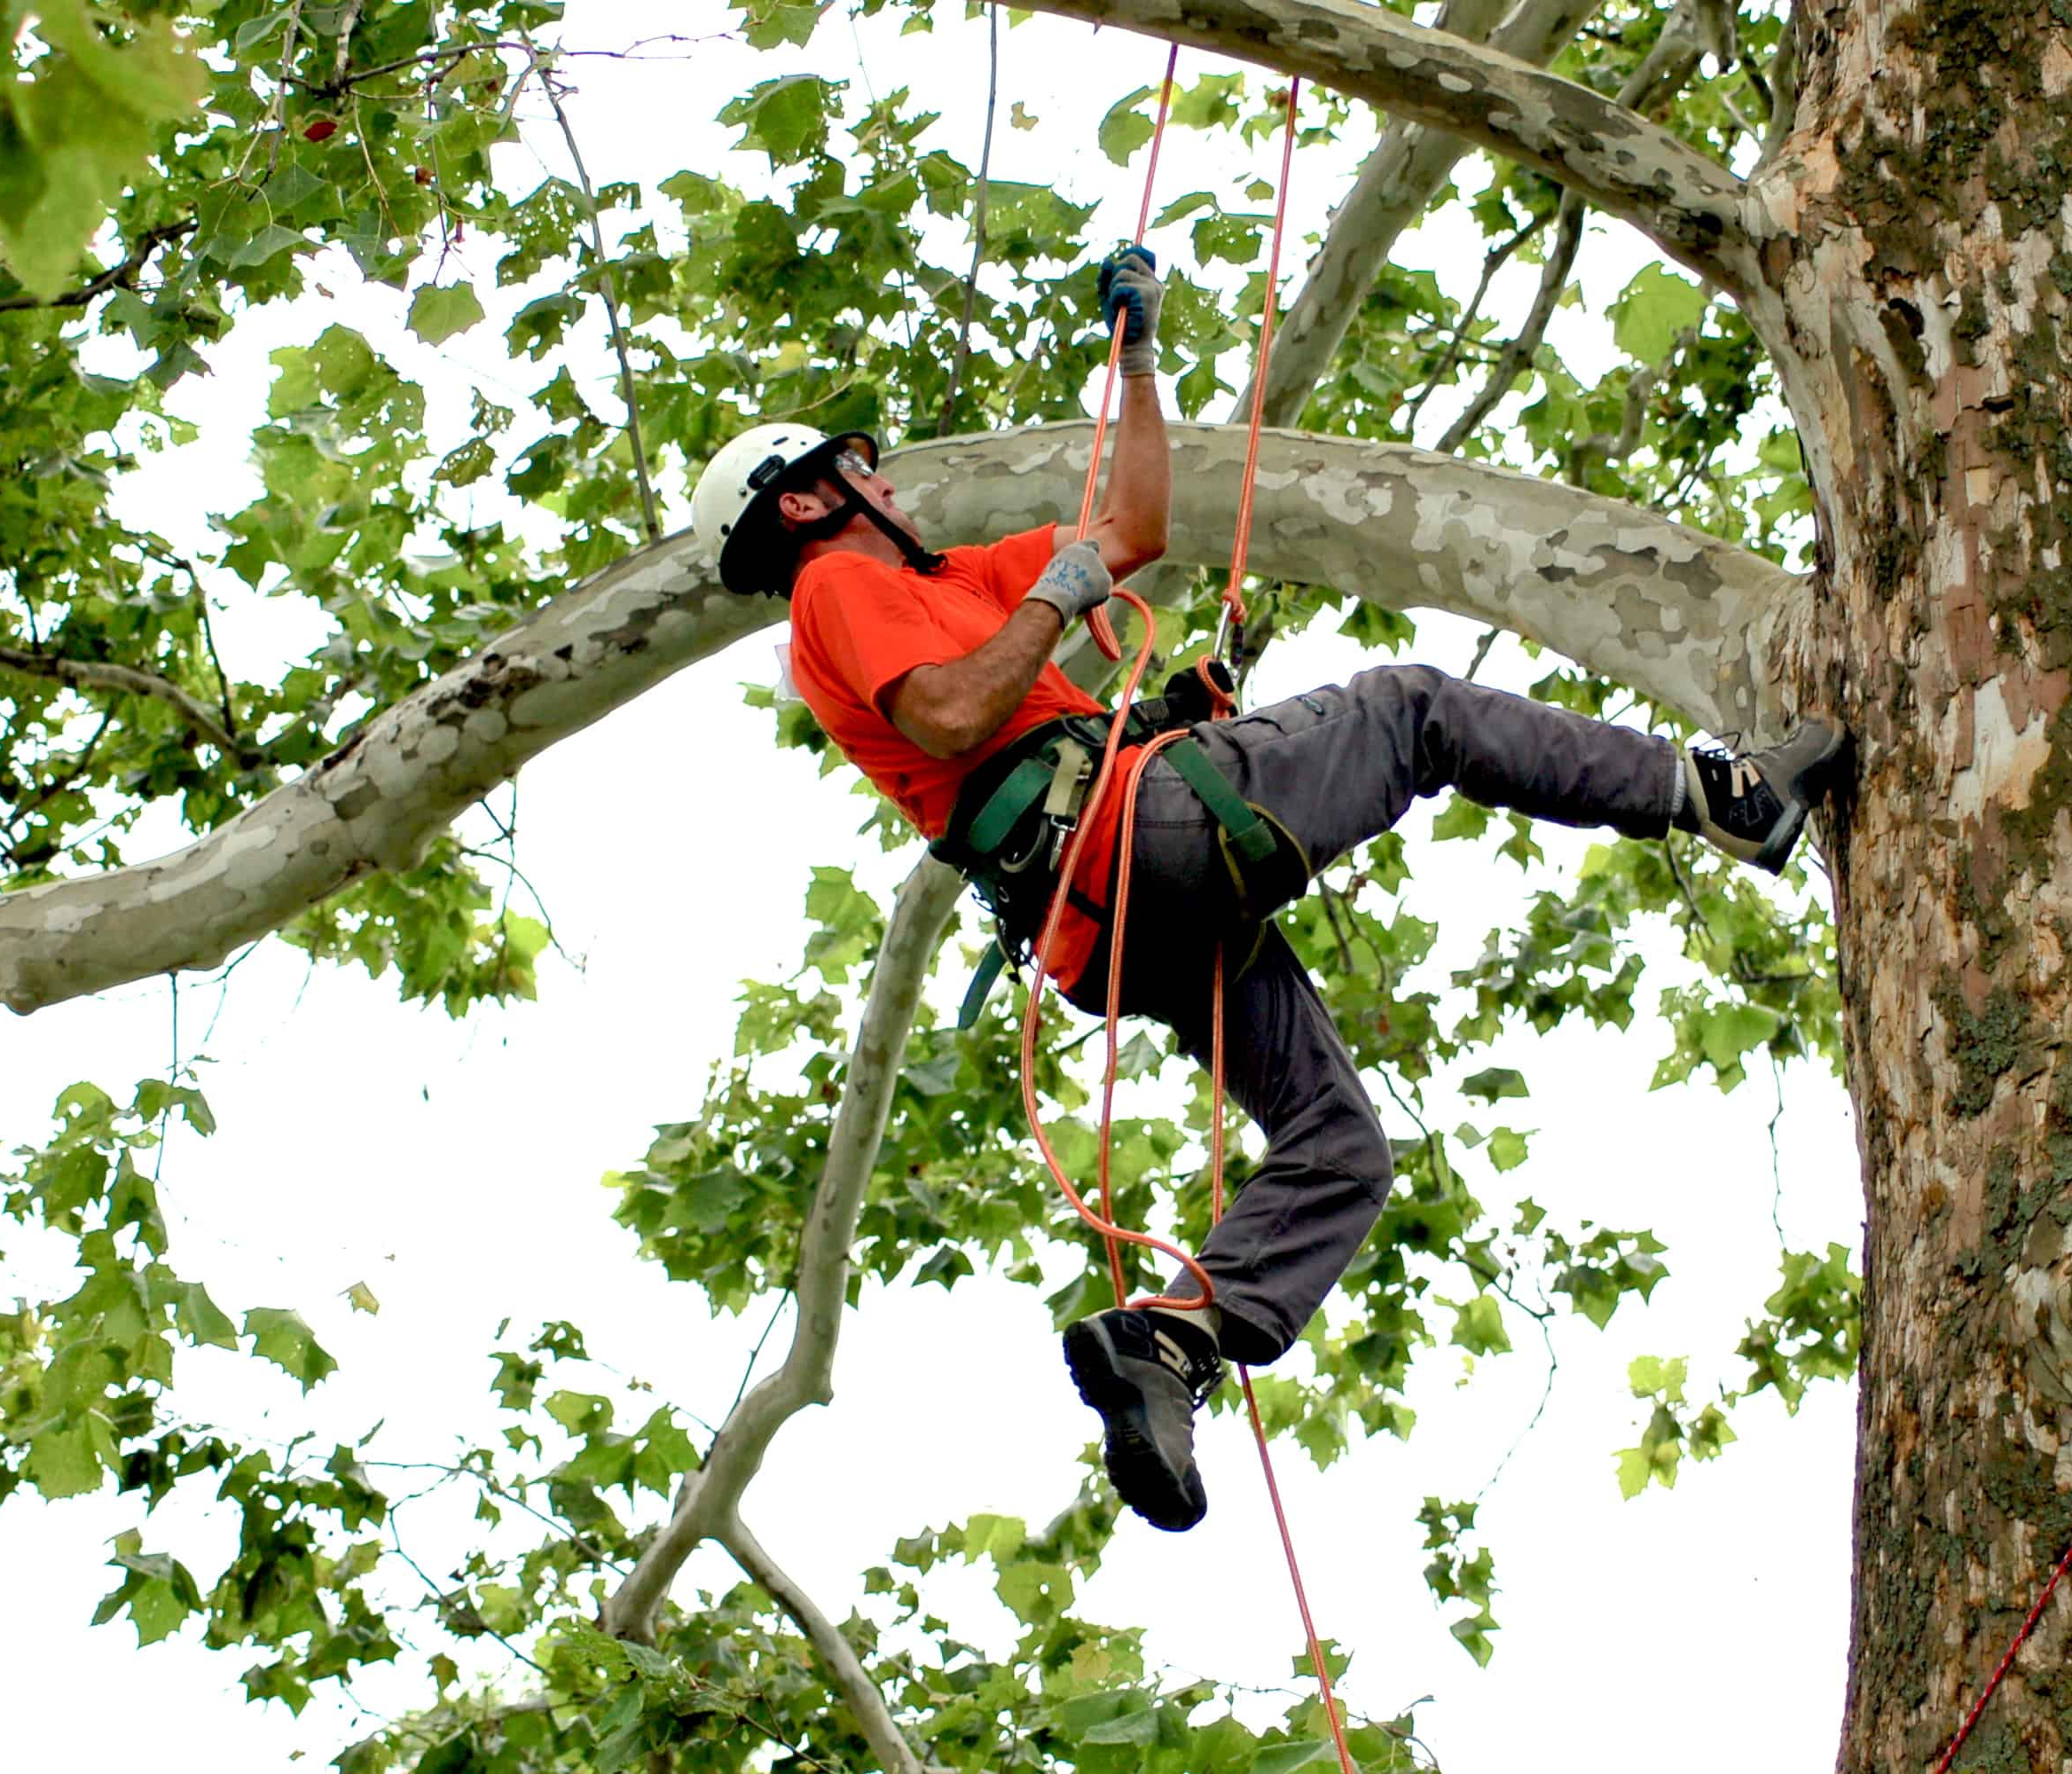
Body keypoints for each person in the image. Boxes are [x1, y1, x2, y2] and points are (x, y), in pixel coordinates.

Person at [690, 246, 1848, 1533]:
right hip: (1132, 842)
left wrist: (1133, 362)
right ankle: (1725, 798)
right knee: (1408, 711)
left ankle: (1174, 1340)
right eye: (860, 467)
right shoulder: (839, 588)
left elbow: (1129, 527)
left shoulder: (946, 582)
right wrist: (1064, 612)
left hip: (1115, 916)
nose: (887, 480)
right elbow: (958, 715)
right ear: (802, 504)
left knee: (1340, 1147)